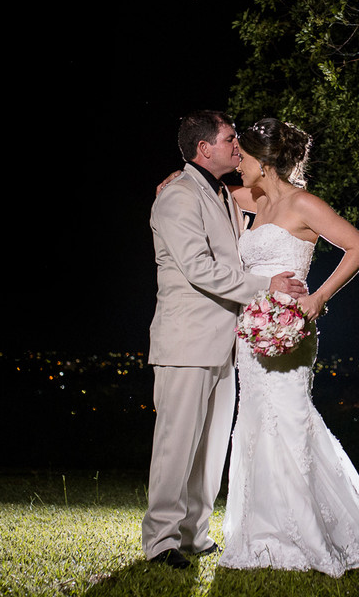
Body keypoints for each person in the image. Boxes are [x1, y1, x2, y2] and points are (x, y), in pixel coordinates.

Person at [218, 118, 359, 577]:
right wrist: (179, 176)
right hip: (253, 331)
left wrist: (318, 298)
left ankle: (306, 531)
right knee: (254, 420)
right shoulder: (255, 198)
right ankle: (262, 528)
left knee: (289, 419)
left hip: (291, 327)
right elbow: (207, 191)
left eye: (245, 158)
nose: (239, 164)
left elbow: (358, 247)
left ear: (265, 162)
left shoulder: (303, 203)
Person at [142, 110, 306, 570]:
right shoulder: (177, 196)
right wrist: (265, 286)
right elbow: (198, 268)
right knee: (176, 444)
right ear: (203, 149)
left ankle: (194, 533)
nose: (239, 147)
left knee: (211, 446)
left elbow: (274, 196)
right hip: (186, 341)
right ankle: (160, 540)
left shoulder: (225, 194)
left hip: (228, 342)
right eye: (231, 139)